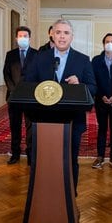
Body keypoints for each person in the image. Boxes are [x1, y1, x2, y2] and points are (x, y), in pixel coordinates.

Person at [25, 19, 97, 196]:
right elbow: (27, 85)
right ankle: (46, 193)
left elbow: (93, 87)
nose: (62, 36)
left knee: (70, 159)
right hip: (44, 121)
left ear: (72, 37)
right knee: (46, 160)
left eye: (66, 33)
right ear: (52, 34)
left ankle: (69, 194)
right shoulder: (39, 58)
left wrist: (79, 84)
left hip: (72, 122)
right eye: (58, 32)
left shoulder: (83, 60)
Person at [3, 26, 38, 165]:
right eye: (20, 36)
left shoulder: (36, 54)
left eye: (25, 36)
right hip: (13, 96)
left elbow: (38, 74)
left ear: (30, 38)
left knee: (31, 127)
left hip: (31, 97)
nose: (22, 38)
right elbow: (6, 73)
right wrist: (14, 90)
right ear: (16, 38)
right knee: (15, 126)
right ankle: (15, 154)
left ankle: (31, 154)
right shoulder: (10, 54)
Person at [91, 33, 112, 170]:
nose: (109, 43)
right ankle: (100, 156)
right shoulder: (96, 60)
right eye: (107, 41)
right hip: (101, 100)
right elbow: (93, 80)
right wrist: (102, 95)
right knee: (102, 129)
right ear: (103, 44)